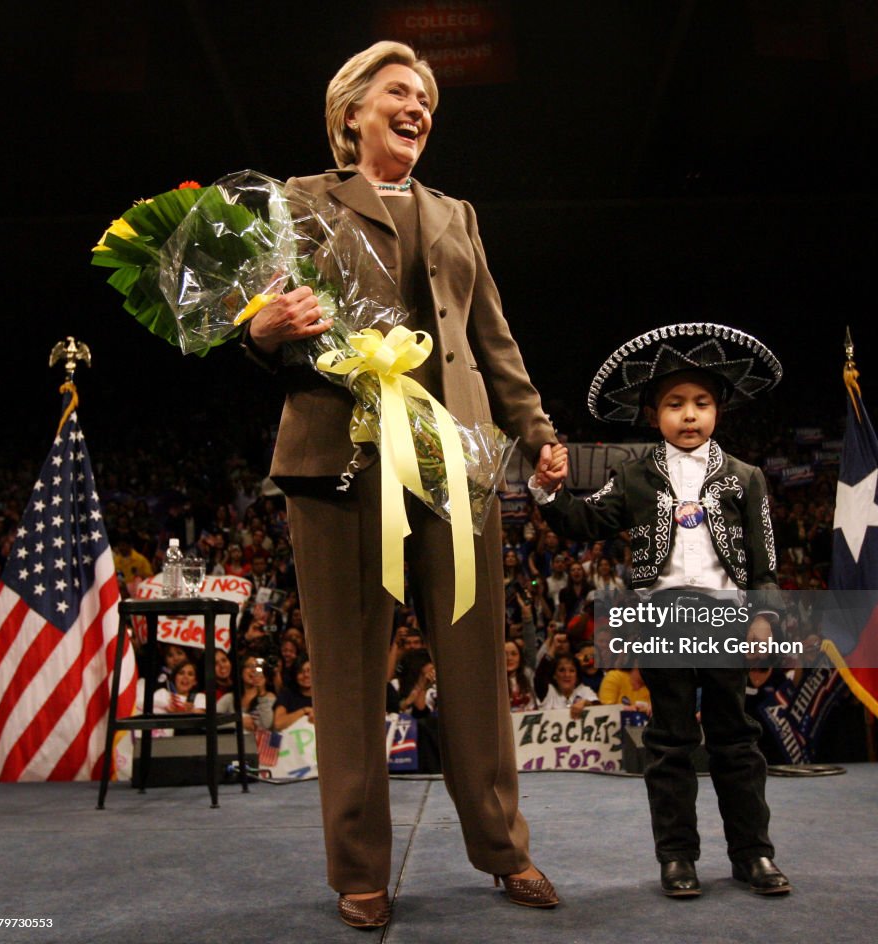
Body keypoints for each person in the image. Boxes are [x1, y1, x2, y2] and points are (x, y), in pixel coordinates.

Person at [242, 41, 563, 927]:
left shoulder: (455, 214)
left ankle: (504, 850)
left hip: (452, 464)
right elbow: (261, 320)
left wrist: (534, 429)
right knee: (346, 678)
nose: (418, 105)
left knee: (473, 671)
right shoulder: (299, 202)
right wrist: (265, 329)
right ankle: (359, 870)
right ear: (353, 112)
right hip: (338, 467)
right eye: (399, 92)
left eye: (426, 96)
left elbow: (494, 342)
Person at [531, 322, 792, 898]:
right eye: (676, 404)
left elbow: (765, 562)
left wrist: (766, 620)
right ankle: (677, 859)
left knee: (737, 742)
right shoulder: (635, 475)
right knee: (670, 743)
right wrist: (548, 491)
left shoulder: (747, 479)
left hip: (726, 616)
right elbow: (583, 521)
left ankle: (754, 856)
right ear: (655, 415)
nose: (690, 414)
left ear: (718, 409)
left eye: (701, 402)